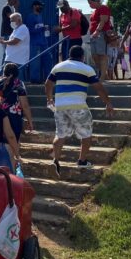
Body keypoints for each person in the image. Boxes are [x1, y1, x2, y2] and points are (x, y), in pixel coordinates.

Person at [46, 46, 114, 176]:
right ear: (82, 56)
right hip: (78, 106)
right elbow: (98, 88)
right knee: (86, 134)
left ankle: (55, 160)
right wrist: (108, 103)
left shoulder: (58, 67)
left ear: (69, 55)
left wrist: (50, 99)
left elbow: (47, 84)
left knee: (60, 135)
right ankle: (82, 161)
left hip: (60, 106)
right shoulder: (86, 69)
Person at [0, 63, 34, 141]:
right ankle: (15, 153)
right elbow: (24, 105)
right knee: (14, 139)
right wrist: (30, 121)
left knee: (1, 139)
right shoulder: (19, 84)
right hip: (14, 116)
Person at [87, 0, 112, 80]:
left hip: (100, 33)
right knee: (94, 55)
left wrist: (97, 31)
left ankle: (102, 76)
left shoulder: (103, 8)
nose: (90, 5)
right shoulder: (95, 11)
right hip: (93, 35)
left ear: (96, 1)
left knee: (102, 55)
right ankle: (103, 73)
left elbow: (103, 20)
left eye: (90, 3)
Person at [25, 0, 50, 83]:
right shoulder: (30, 17)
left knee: (47, 60)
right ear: (34, 6)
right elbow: (29, 30)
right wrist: (41, 29)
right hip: (34, 43)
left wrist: (44, 30)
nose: (41, 7)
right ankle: (35, 80)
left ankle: (48, 79)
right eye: (39, 5)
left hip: (43, 43)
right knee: (35, 62)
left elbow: (40, 28)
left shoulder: (40, 16)